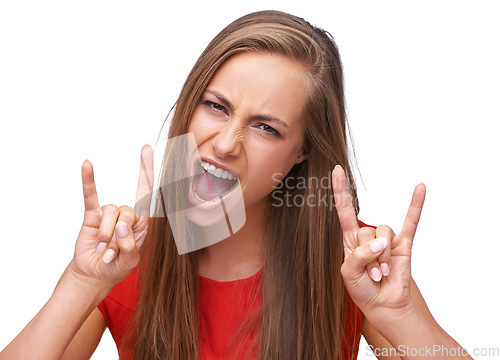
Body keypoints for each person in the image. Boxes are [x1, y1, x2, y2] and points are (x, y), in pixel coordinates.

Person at [0, 10, 473, 360]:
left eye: (267, 128)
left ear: (302, 151)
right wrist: (81, 284)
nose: (225, 144)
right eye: (217, 106)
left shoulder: (355, 265)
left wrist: (402, 317)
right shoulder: (124, 256)